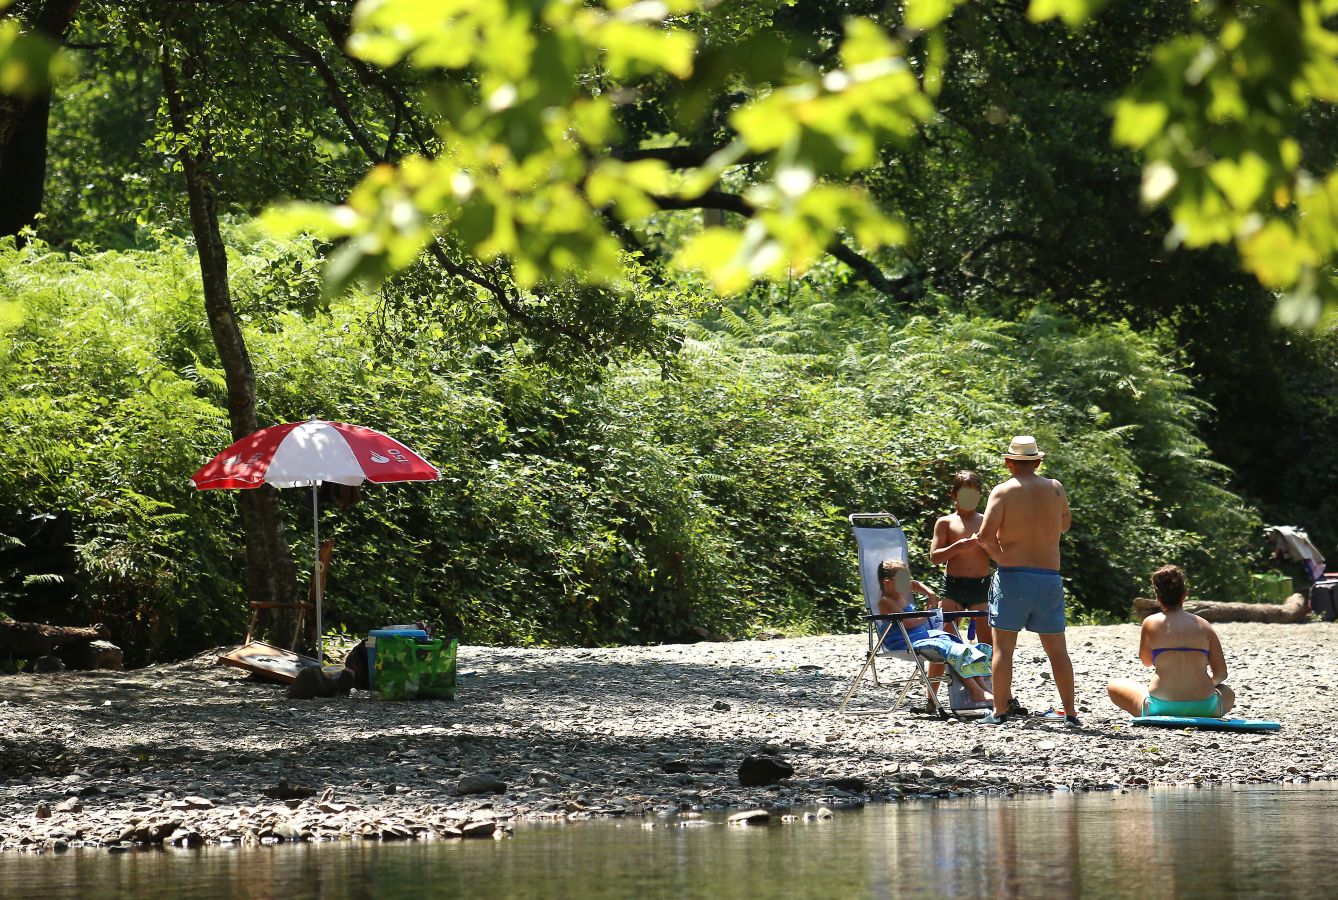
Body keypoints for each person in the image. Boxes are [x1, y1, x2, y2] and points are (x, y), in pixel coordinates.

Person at [975, 435, 1076, 726]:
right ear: (1038, 461)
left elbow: (984, 536)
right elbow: (1065, 525)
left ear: (1009, 462)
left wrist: (1002, 558)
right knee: (1058, 649)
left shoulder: (1003, 491)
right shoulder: (1056, 489)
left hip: (1014, 576)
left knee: (1004, 648)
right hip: (1049, 577)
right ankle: (1070, 712)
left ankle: (999, 712)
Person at [1107, 565, 1235, 718]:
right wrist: (1203, 686)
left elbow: (1146, 661)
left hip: (1160, 706)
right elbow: (1221, 673)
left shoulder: (1150, 623)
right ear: (1184, 595)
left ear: (1158, 596)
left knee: (1114, 684)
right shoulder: (1204, 625)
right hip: (1205, 707)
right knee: (1227, 691)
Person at [875, 558, 993, 707]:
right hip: (905, 641)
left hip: (920, 637)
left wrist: (931, 594)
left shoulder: (900, 592)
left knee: (959, 645)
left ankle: (983, 688)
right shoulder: (886, 602)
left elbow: (915, 584)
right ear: (887, 582)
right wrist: (925, 616)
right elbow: (908, 623)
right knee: (951, 650)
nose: (908, 584)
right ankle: (976, 691)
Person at [930, 470, 993, 649]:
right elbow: (935, 557)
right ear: (954, 495)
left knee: (987, 641)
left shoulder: (986, 521)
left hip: (981, 586)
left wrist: (987, 546)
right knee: (943, 640)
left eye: (974, 493)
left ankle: (986, 677)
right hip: (953, 586)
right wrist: (958, 546)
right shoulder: (945, 522)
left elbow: (999, 555)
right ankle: (935, 678)